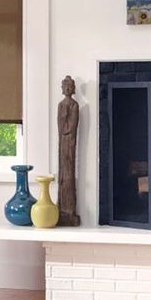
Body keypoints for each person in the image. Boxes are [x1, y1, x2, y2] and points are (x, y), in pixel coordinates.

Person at [58, 75, 80, 226]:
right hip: (62, 141)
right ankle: (62, 208)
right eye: (65, 86)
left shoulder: (74, 105)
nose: (67, 89)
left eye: (70, 86)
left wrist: (66, 130)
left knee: (69, 173)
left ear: (73, 89)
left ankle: (69, 209)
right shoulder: (61, 105)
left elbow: (72, 124)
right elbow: (60, 122)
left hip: (70, 140)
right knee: (63, 174)